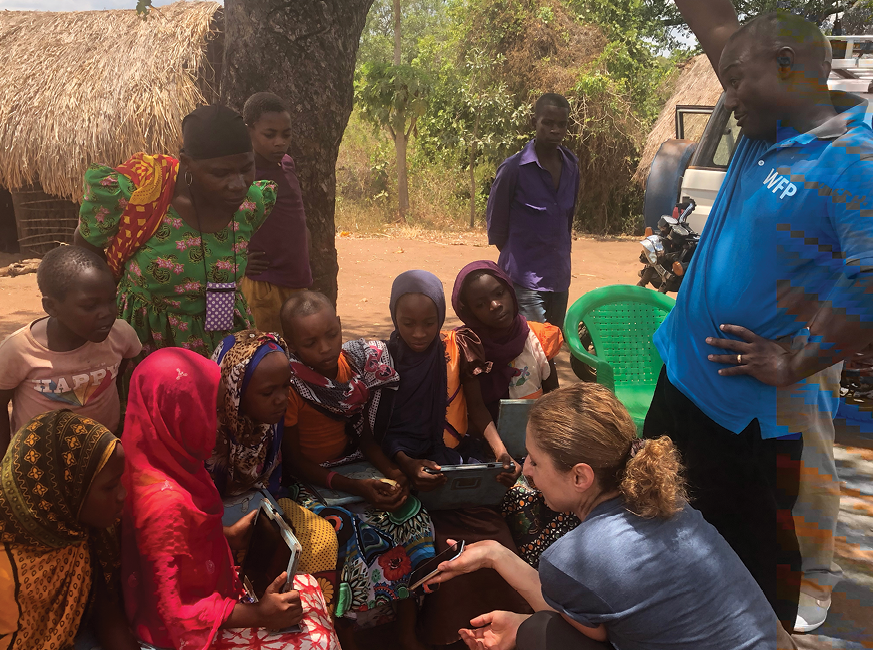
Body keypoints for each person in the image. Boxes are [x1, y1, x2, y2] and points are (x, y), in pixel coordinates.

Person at [644, 2, 873, 632]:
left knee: (748, 565)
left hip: (746, 417)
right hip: (684, 379)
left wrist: (798, 360)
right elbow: (719, 27)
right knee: (659, 522)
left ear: (787, 65)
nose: (729, 95)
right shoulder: (764, 132)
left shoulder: (852, 159)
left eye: (737, 80)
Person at [426, 383, 797, 650]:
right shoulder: (671, 504)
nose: (526, 471)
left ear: (580, 477)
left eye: (536, 461)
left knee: (538, 633)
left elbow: (582, 635)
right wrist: (494, 553)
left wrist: (523, 629)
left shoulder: (572, 558)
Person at [120, 347, 338, 650]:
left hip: (205, 602)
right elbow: (173, 611)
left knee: (307, 599)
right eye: (211, 409)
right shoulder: (164, 503)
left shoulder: (165, 464)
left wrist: (226, 537)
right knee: (316, 639)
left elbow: (176, 547)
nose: (221, 418)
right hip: (177, 637)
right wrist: (259, 615)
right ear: (180, 415)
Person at [380, 270, 531, 646]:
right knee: (431, 545)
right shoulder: (379, 361)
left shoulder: (454, 352)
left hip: (446, 460)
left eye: (429, 323)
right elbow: (372, 431)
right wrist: (405, 463)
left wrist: (500, 452)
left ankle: (495, 630)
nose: (418, 333)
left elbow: (478, 412)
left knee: (491, 531)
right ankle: (435, 634)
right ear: (393, 317)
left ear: (442, 317)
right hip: (397, 464)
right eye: (408, 323)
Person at [279, 291, 435, 649]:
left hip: (356, 467)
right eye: (311, 342)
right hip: (312, 478)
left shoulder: (355, 369)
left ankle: (407, 628)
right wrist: (356, 486)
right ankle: (346, 635)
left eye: (332, 333)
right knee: (344, 531)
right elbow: (294, 461)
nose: (325, 347)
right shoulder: (289, 386)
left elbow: (363, 437)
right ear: (292, 344)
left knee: (413, 515)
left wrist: (392, 473)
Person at [74, 104, 277, 378]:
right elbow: (86, 248)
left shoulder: (251, 203)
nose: (238, 183)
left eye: (246, 168)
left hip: (223, 340)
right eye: (221, 173)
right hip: (147, 342)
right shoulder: (142, 197)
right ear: (187, 162)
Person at [451, 260, 572, 566]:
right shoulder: (468, 347)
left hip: (539, 444)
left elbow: (553, 398)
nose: (494, 305)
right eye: (480, 303)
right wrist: (501, 453)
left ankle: (571, 566)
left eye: (499, 293)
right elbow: (477, 408)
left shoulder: (536, 339)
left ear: (510, 290)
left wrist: (552, 448)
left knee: (570, 491)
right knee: (523, 499)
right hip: (491, 447)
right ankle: (535, 574)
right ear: (468, 311)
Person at [210, 329, 340, 611]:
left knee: (321, 539)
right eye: (268, 392)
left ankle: (311, 621)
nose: (281, 399)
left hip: (262, 502)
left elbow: (269, 481)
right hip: (212, 518)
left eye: (286, 386)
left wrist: (272, 518)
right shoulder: (208, 433)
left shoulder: (269, 422)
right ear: (234, 391)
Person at [0, 410, 138, 650]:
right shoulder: (8, 572)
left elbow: (107, 614)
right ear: (64, 494)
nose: (122, 495)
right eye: (110, 487)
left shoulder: (86, 535)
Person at [0, 246, 141, 454]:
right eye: (90, 306)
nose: (107, 313)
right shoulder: (19, 350)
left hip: (101, 453)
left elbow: (118, 377)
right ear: (51, 307)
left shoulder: (120, 336)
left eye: (111, 300)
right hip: (41, 457)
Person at [486, 93, 580, 326]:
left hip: (559, 281)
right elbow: (497, 229)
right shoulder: (513, 169)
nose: (555, 130)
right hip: (524, 281)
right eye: (547, 123)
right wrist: (523, 261)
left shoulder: (572, 167)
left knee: (551, 347)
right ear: (534, 123)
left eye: (561, 124)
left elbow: (566, 221)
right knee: (532, 349)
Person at [241, 92, 313, 333]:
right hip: (264, 286)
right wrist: (238, 259)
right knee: (265, 354)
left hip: (298, 279)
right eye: (269, 135)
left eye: (286, 134)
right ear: (248, 131)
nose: (279, 142)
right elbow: (218, 221)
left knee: (298, 350)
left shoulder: (287, 164)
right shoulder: (243, 173)